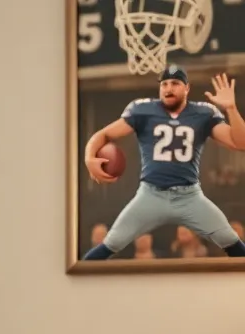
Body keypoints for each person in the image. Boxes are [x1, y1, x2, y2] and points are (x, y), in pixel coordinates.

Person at [82, 65, 245, 260]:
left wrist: (231, 109)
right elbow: (104, 134)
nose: (168, 88)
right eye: (164, 84)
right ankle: (70, 289)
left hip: (189, 196)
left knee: (229, 238)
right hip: (151, 194)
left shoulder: (203, 113)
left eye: (175, 83)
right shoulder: (143, 109)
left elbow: (239, 142)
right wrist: (89, 157)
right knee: (112, 242)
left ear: (187, 88)